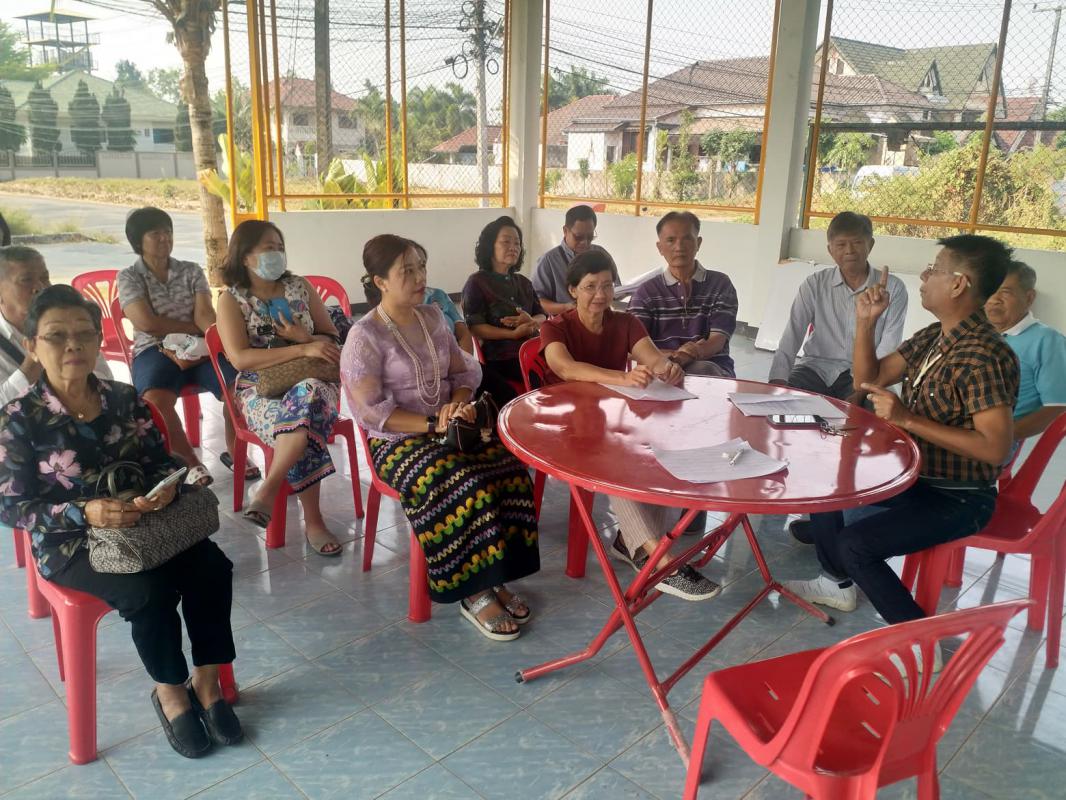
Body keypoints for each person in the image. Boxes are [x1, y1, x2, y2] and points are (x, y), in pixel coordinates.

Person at [0, 285, 241, 759]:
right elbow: (10, 506)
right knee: (147, 591)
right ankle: (170, 691)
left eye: (84, 334)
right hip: (71, 543)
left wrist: (166, 486)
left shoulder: (123, 398)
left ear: (98, 340)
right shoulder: (18, 419)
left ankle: (207, 682)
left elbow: (159, 460)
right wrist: (83, 511)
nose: (73, 345)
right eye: (56, 335)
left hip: (145, 525)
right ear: (32, 345)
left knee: (213, 568)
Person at [783, 236, 1019, 668]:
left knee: (856, 545)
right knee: (826, 480)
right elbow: (868, 377)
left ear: (958, 284)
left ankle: (922, 645)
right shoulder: (935, 336)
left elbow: (995, 448)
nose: (925, 276)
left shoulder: (985, 355)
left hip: (958, 495)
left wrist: (908, 419)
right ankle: (835, 583)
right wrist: (865, 322)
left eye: (936, 268)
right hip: (913, 476)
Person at [343, 234, 540, 641]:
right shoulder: (365, 336)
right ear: (380, 281)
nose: (420, 277)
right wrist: (434, 423)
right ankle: (474, 591)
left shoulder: (432, 317)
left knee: (507, 467)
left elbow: (464, 372)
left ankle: (496, 575)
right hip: (398, 441)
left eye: (421, 267)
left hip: (449, 427)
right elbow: (371, 411)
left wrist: (458, 405)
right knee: (460, 481)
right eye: (407, 271)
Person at [539, 249, 721, 600]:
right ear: (573, 289)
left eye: (607, 286)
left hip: (606, 419)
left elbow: (651, 357)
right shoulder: (555, 326)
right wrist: (621, 378)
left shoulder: (624, 322)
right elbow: (565, 368)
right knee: (613, 458)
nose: (600, 295)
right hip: (561, 426)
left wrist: (666, 368)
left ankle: (632, 543)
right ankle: (659, 561)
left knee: (651, 447)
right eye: (590, 286)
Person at [215, 220, 344, 556]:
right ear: (245, 256)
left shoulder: (300, 287)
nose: (276, 253)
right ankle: (314, 522)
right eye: (267, 248)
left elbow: (331, 338)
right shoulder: (231, 300)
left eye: (279, 247)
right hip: (259, 388)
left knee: (307, 398)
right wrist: (301, 349)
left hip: (315, 378)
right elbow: (241, 358)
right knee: (301, 421)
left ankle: (269, 488)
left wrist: (305, 337)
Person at [118, 207, 256, 488]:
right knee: (156, 401)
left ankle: (235, 451)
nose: (164, 238)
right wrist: (191, 326)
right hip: (154, 349)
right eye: (155, 233)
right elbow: (146, 323)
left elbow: (205, 315)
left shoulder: (191, 270)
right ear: (138, 240)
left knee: (238, 388)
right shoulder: (129, 276)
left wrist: (215, 337)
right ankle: (189, 462)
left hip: (200, 348)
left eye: (167, 231)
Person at [769, 211, 907, 401]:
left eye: (857, 242)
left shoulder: (893, 288)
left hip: (866, 376)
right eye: (841, 245)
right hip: (815, 369)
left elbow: (888, 348)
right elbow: (792, 334)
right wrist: (777, 381)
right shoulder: (814, 284)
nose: (849, 250)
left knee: (876, 411)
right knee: (783, 403)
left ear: (870, 244)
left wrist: (860, 393)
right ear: (830, 250)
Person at [628, 211, 738, 377]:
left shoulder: (720, 284)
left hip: (712, 370)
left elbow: (717, 340)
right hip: (662, 370)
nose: (679, 247)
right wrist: (672, 358)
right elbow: (632, 345)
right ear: (660, 247)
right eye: (671, 240)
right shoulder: (646, 292)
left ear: (698, 243)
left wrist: (691, 354)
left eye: (687, 239)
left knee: (704, 370)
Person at [1, 246, 113, 405]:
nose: (40, 288)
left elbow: (104, 381)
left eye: (44, 278)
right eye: (26, 280)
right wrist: (37, 354)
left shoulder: (72, 324)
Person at [462, 216, 546, 403]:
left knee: (565, 364)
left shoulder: (524, 282)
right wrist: (513, 334)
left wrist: (532, 321)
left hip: (534, 349)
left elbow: (542, 315)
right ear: (490, 246)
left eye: (517, 243)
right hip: (502, 356)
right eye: (506, 241)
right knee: (540, 378)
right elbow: (475, 327)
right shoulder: (477, 282)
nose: (513, 247)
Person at [984, 260, 1066, 443]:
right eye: (990, 290)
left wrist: (998, 441)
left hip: (987, 446)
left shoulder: (1047, 340)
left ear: (1029, 298)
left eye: (1005, 292)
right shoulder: (978, 334)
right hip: (958, 432)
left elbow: (1058, 407)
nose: (994, 299)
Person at [532, 204, 620, 316]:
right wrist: (566, 307)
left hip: (600, 320)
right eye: (578, 237)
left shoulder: (601, 254)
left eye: (590, 237)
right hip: (565, 321)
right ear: (565, 231)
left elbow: (617, 289)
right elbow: (537, 302)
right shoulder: (548, 261)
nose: (584, 242)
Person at [411, 240, 474, 355]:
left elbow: (463, 332)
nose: (420, 275)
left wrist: (466, 362)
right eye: (409, 269)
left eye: (422, 265)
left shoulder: (437, 295)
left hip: (458, 360)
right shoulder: (391, 312)